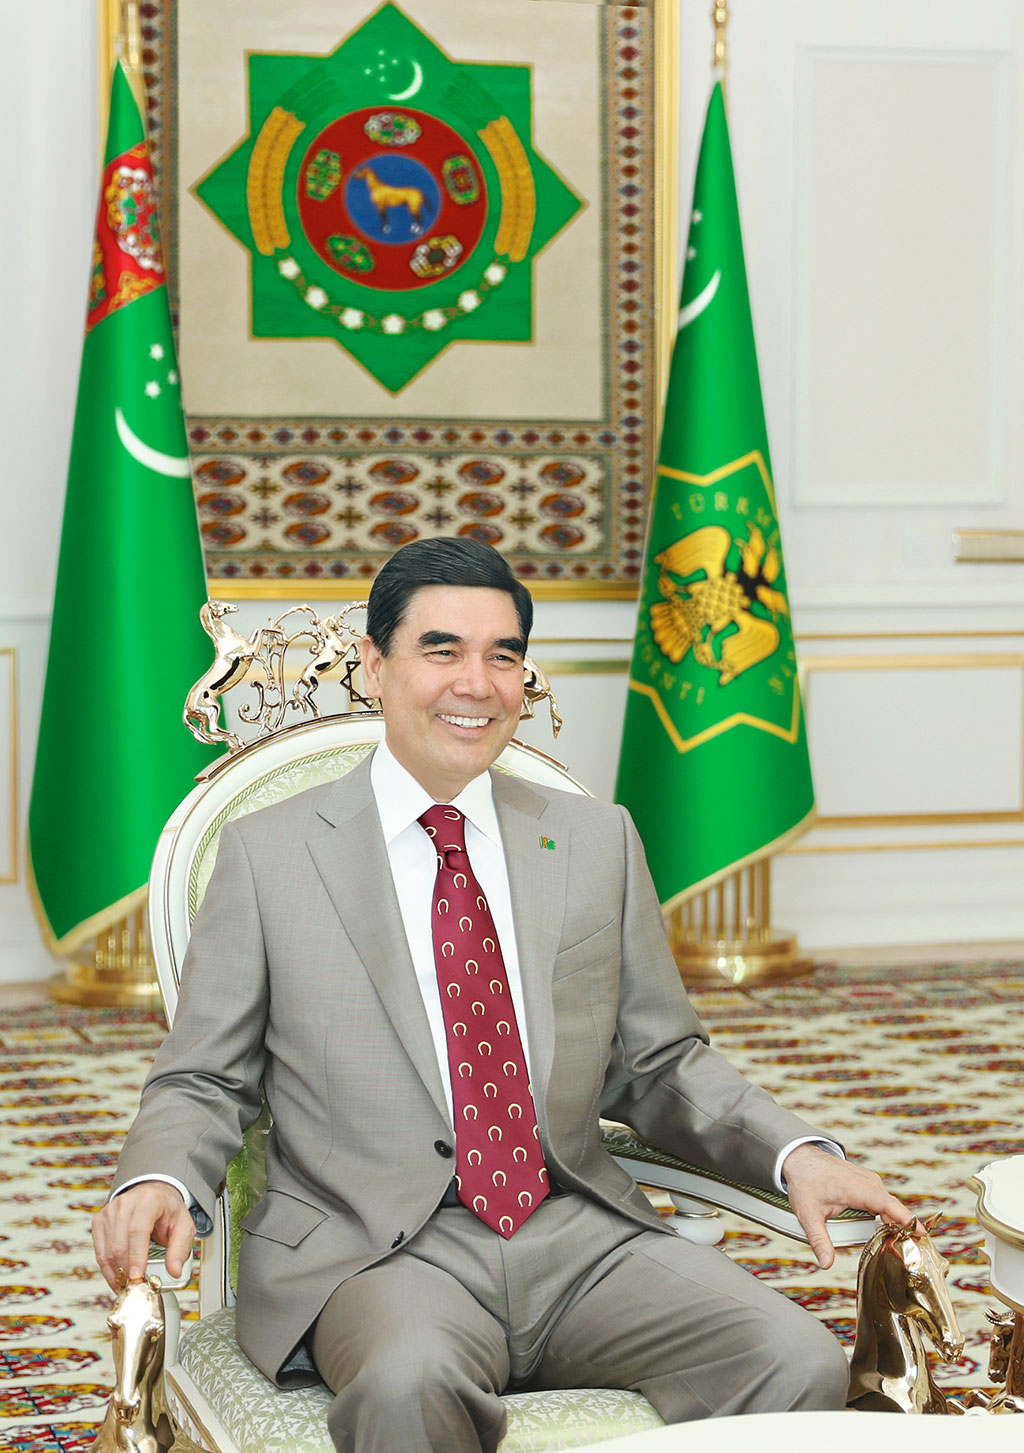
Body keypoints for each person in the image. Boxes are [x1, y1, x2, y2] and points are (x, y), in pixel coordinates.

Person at [94, 537, 911, 1452]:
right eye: (441, 649)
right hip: (377, 1252)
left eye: (503, 654)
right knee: (408, 1385)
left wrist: (794, 1153)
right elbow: (204, 1074)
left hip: (579, 1233)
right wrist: (158, 1177)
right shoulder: (270, 854)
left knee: (794, 1358)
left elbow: (659, 1060)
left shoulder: (595, 839)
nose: (475, 683)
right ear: (375, 665)